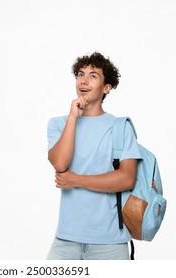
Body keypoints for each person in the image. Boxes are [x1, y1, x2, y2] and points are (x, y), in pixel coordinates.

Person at [46, 52, 141, 260]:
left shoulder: (120, 127)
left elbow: (127, 178)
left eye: (93, 75)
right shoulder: (58, 124)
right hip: (66, 240)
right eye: (80, 74)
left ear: (106, 88)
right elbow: (60, 163)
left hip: (110, 244)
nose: (84, 80)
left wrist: (76, 180)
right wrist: (73, 117)